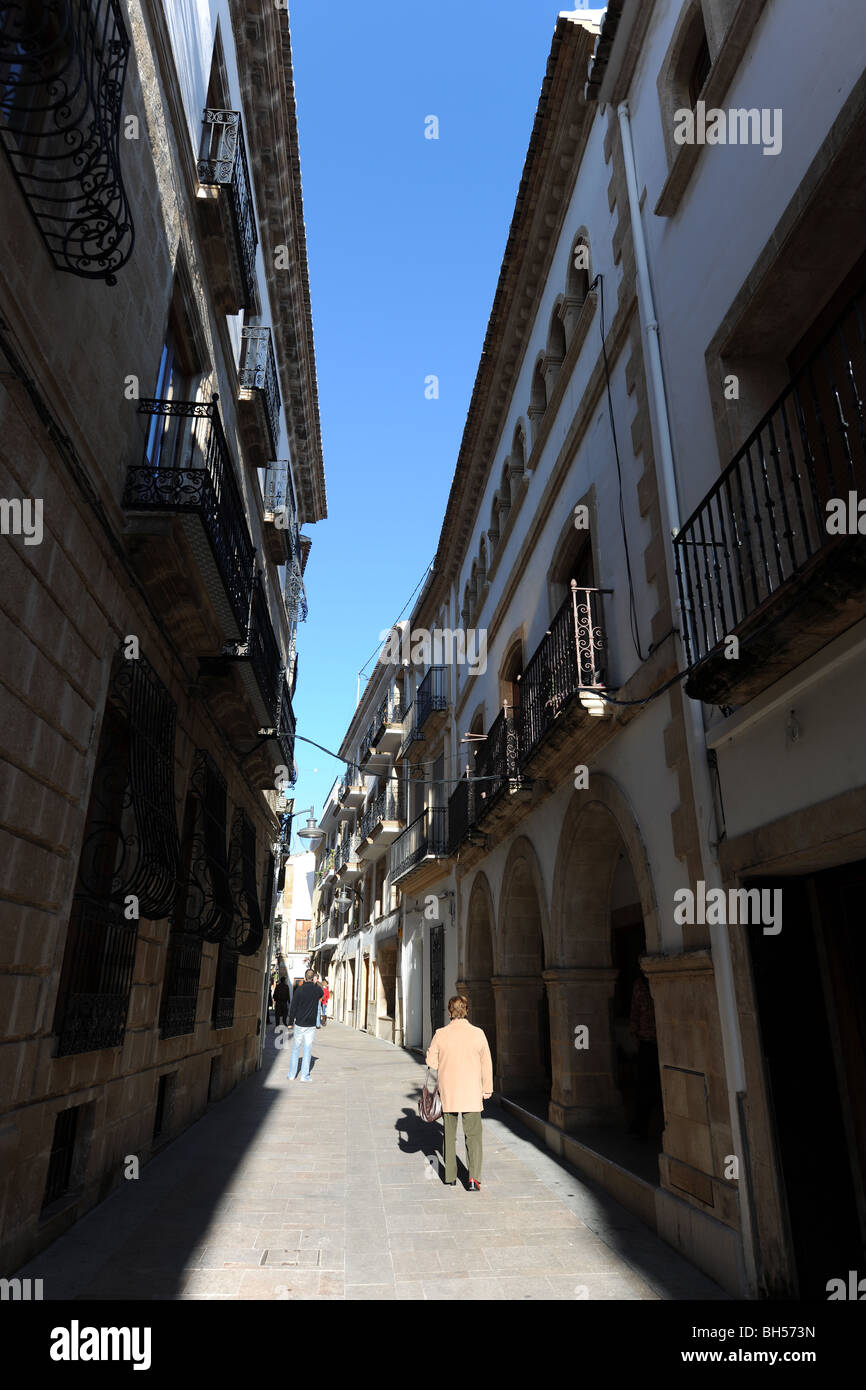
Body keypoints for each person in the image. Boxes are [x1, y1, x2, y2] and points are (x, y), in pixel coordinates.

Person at [426, 995, 493, 1190]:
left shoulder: (440, 1033)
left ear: (449, 1012)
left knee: (448, 1134)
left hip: (449, 1092)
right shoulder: (478, 1033)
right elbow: (486, 1064)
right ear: (467, 1010)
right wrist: (487, 1088)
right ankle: (473, 1179)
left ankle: (450, 1176)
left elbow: (431, 1062)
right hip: (472, 1092)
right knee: (473, 1136)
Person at [628, 971, 661, 1137]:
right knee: (644, 1086)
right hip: (647, 1041)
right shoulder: (639, 985)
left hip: (664, 1042)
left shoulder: (660, 980)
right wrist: (634, 1035)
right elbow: (635, 1010)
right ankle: (640, 1127)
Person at [286, 969, 324, 1083]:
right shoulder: (317, 989)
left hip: (299, 1023)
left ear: (304, 977)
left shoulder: (299, 990)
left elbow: (293, 1007)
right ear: (313, 978)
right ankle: (304, 1076)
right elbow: (321, 993)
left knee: (295, 1049)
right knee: (307, 1049)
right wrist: (316, 982)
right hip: (311, 1024)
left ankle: (292, 1075)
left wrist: (290, 1022)